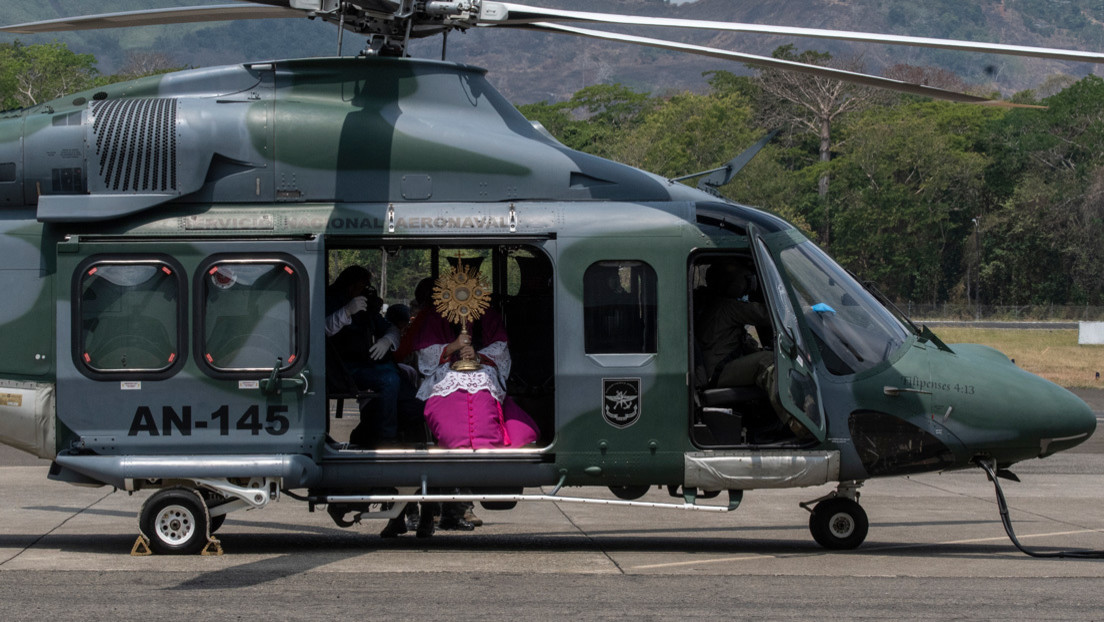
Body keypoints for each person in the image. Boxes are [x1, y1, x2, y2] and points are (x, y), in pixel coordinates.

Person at [414, 301, 539, 450]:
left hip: (482, 368)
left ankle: (486, 439)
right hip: (447, 370)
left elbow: (500, 348)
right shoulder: (437, 314)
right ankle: (454, 439)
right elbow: (426, 352)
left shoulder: (487, 313)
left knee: (484, 385)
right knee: (448, 387)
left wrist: (477, 356)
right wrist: (453, 346)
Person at [325, 265, 414, 448]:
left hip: (366, 365)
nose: (366, 289)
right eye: (362, 285)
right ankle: (387, 438)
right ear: (350, 285)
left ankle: (377, 431)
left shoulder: (365, 308)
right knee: (389, 379)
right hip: (341, 368)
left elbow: (390, 328)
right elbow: (321, 329)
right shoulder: (332, 301)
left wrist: (387, 340)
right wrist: (346, 312)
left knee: (401, 380)